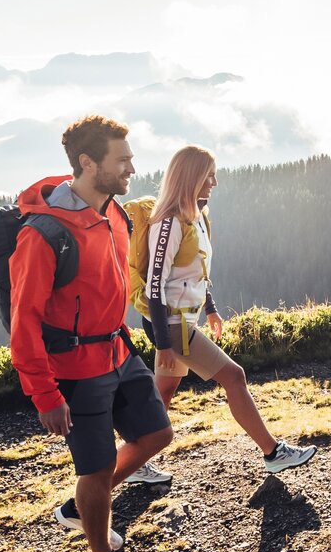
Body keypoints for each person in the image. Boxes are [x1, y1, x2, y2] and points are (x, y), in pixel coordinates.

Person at [9, 115, 173, 552]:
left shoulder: (114, 212)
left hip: (119, 350)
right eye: (121, 160)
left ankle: (83, 506)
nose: (131, 167)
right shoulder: (42, 235)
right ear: (87, 163)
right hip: (76, 372)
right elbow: (24, 323)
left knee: (157, 433)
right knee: (96, 470)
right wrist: (44, 394)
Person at [126, 144, 316, 484]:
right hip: (172, 324)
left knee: (163, 394)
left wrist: (210, 309)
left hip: (184, 321)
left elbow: (196, 273)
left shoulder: (197, 218)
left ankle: (135, 463)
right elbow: (155, 286)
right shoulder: (168, 223)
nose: (214, 182)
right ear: (190, 178)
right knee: (234, 376)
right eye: (208, 175)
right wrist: (165, 341)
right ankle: (273, 453)